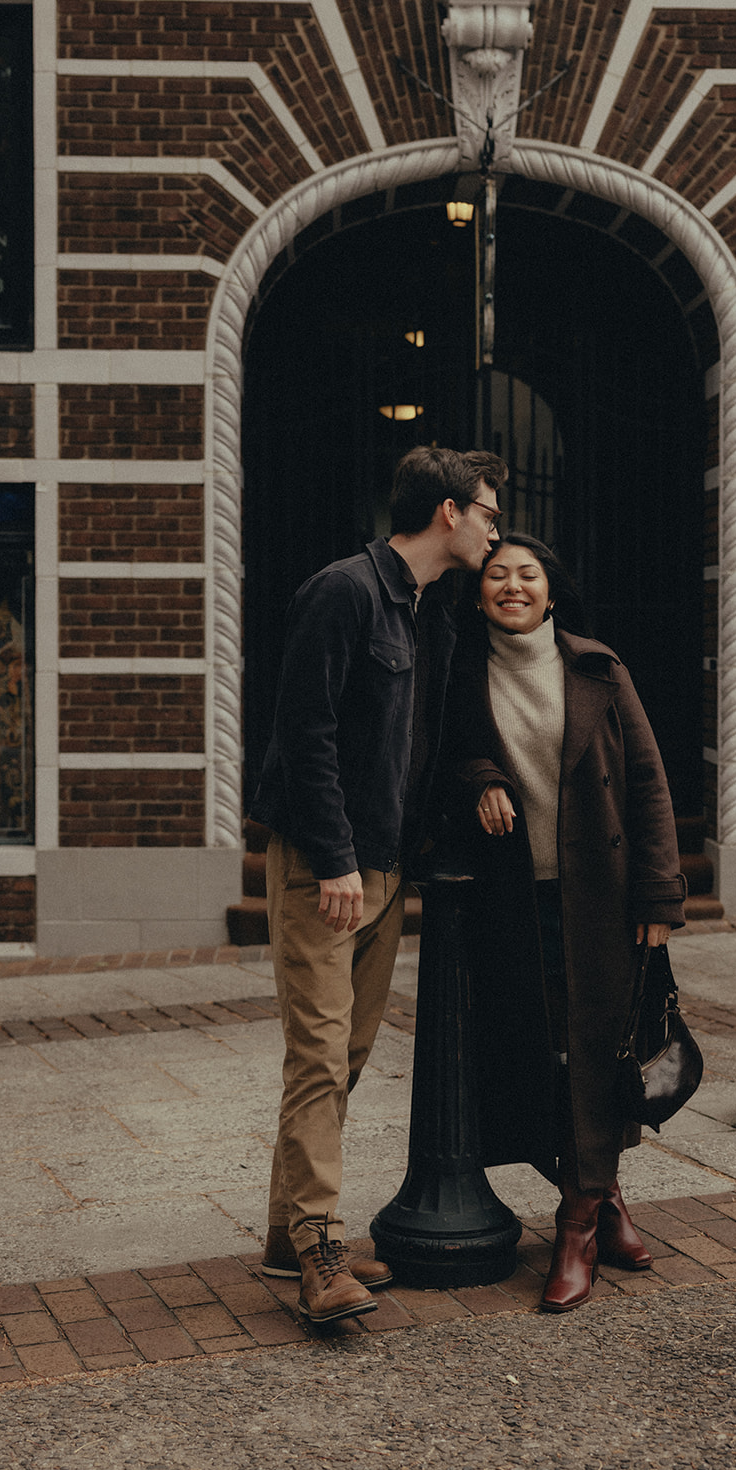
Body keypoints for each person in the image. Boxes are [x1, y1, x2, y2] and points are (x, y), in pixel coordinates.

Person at [249, 445, 507, 1324]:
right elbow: (304, 733)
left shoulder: (430, 609)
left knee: (347, 1054)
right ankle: (321, 1251)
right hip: (332, 866)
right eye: (487, 511)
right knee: (318, 1054)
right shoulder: (344, 592)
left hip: (389, 864)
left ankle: (289, 1237)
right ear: (446, 511)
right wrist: (333, 860)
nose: (493, 527)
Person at [443, 532, 686, 1313]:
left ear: (551, 589)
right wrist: (480, 775)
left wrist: (658, 900)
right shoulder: (457, 668)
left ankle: (575, 1227)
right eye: (495, 575)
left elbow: (647, 783)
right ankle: (607, 1198)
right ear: (478, 590)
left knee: (596, 1051)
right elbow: (442, 756)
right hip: (510, 898)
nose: (511, 587)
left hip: (600, 898)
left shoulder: (596, 667)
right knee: (532, 1054)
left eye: (527, 575)